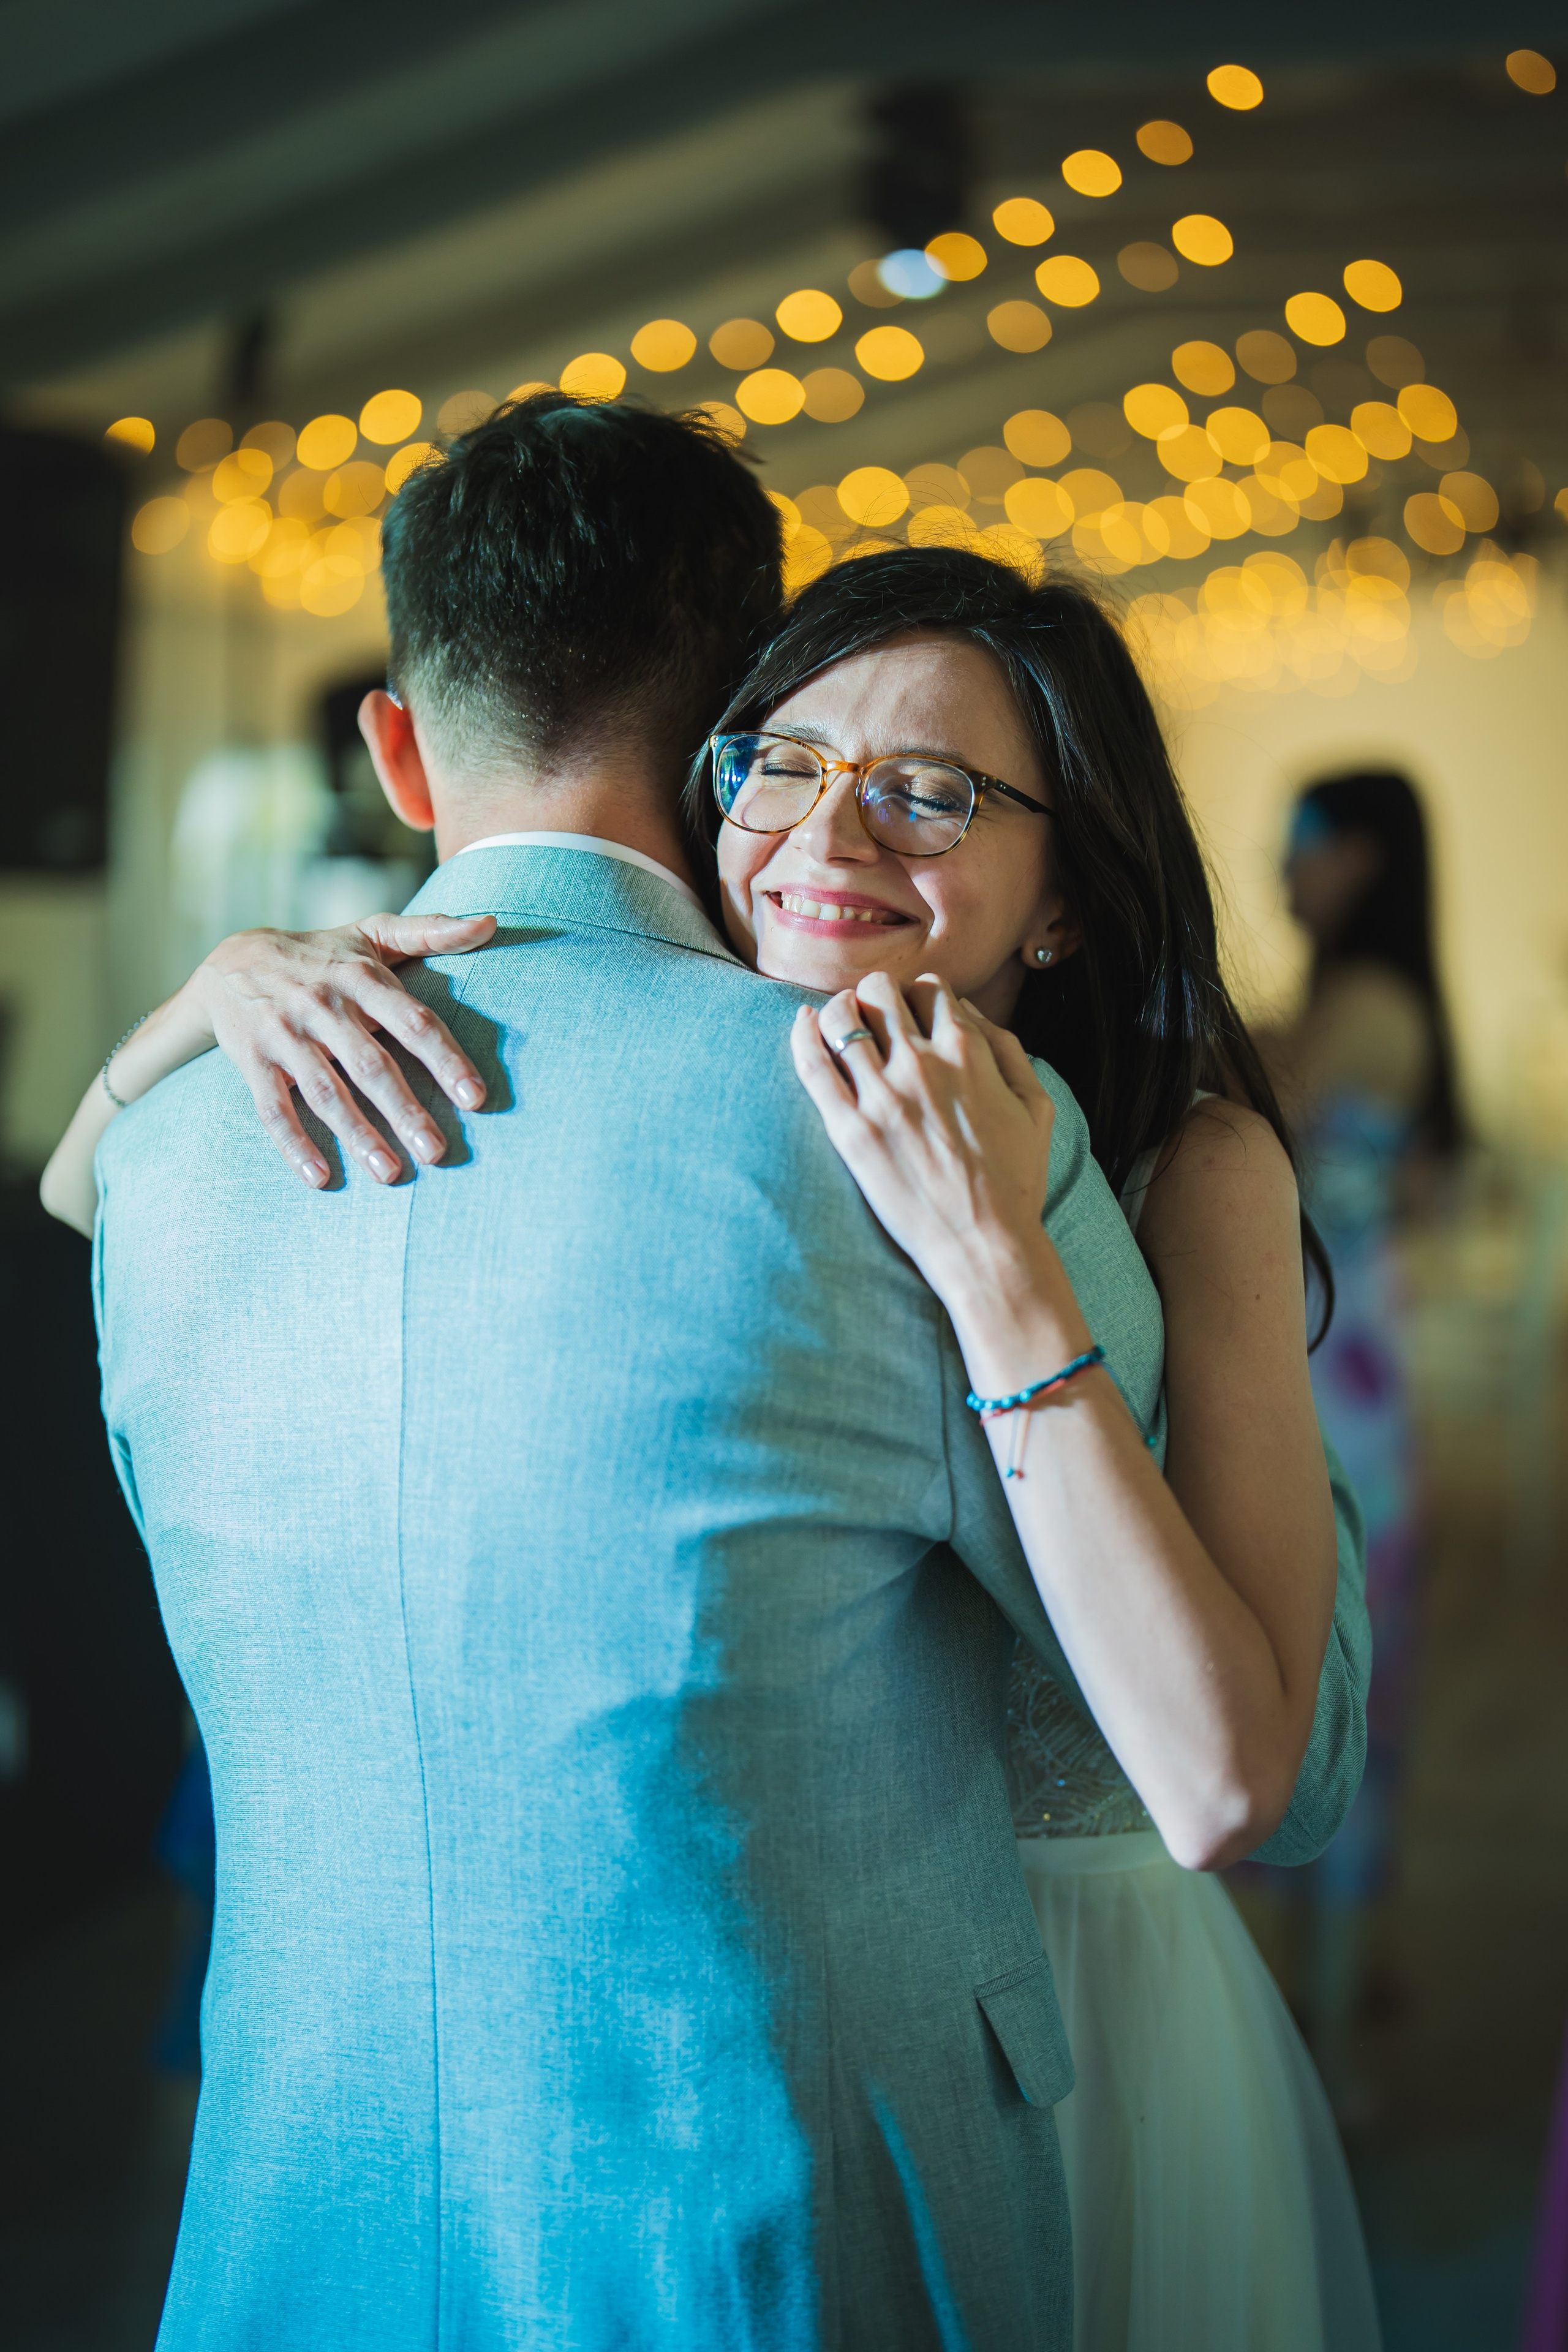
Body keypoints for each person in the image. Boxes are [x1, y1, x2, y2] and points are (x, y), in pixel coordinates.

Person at [47, 476, 1375, 2352]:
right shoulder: (750, 1108)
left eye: (931, 791)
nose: (832, 829)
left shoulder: (1158, 1169)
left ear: (1067, 892)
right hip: (762, 2099)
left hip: (1079, 2034)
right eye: (784, 760)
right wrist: (210, 1002)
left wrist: (994, 1252)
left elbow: (1270, 1782)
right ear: (706, 780)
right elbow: (97, 1202)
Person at [1261, 769, 1459, 2116]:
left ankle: (1317, 2040)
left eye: (1302, 841)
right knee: (1340, 1693)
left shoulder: (1359, 1010)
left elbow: (1251, 1120)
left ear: (1363, 858)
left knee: (1327, 1697)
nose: (1281, 867)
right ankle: (1334, 1987)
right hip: (1350, 1378)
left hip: (1336, 1394)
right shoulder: (1366, 1007)